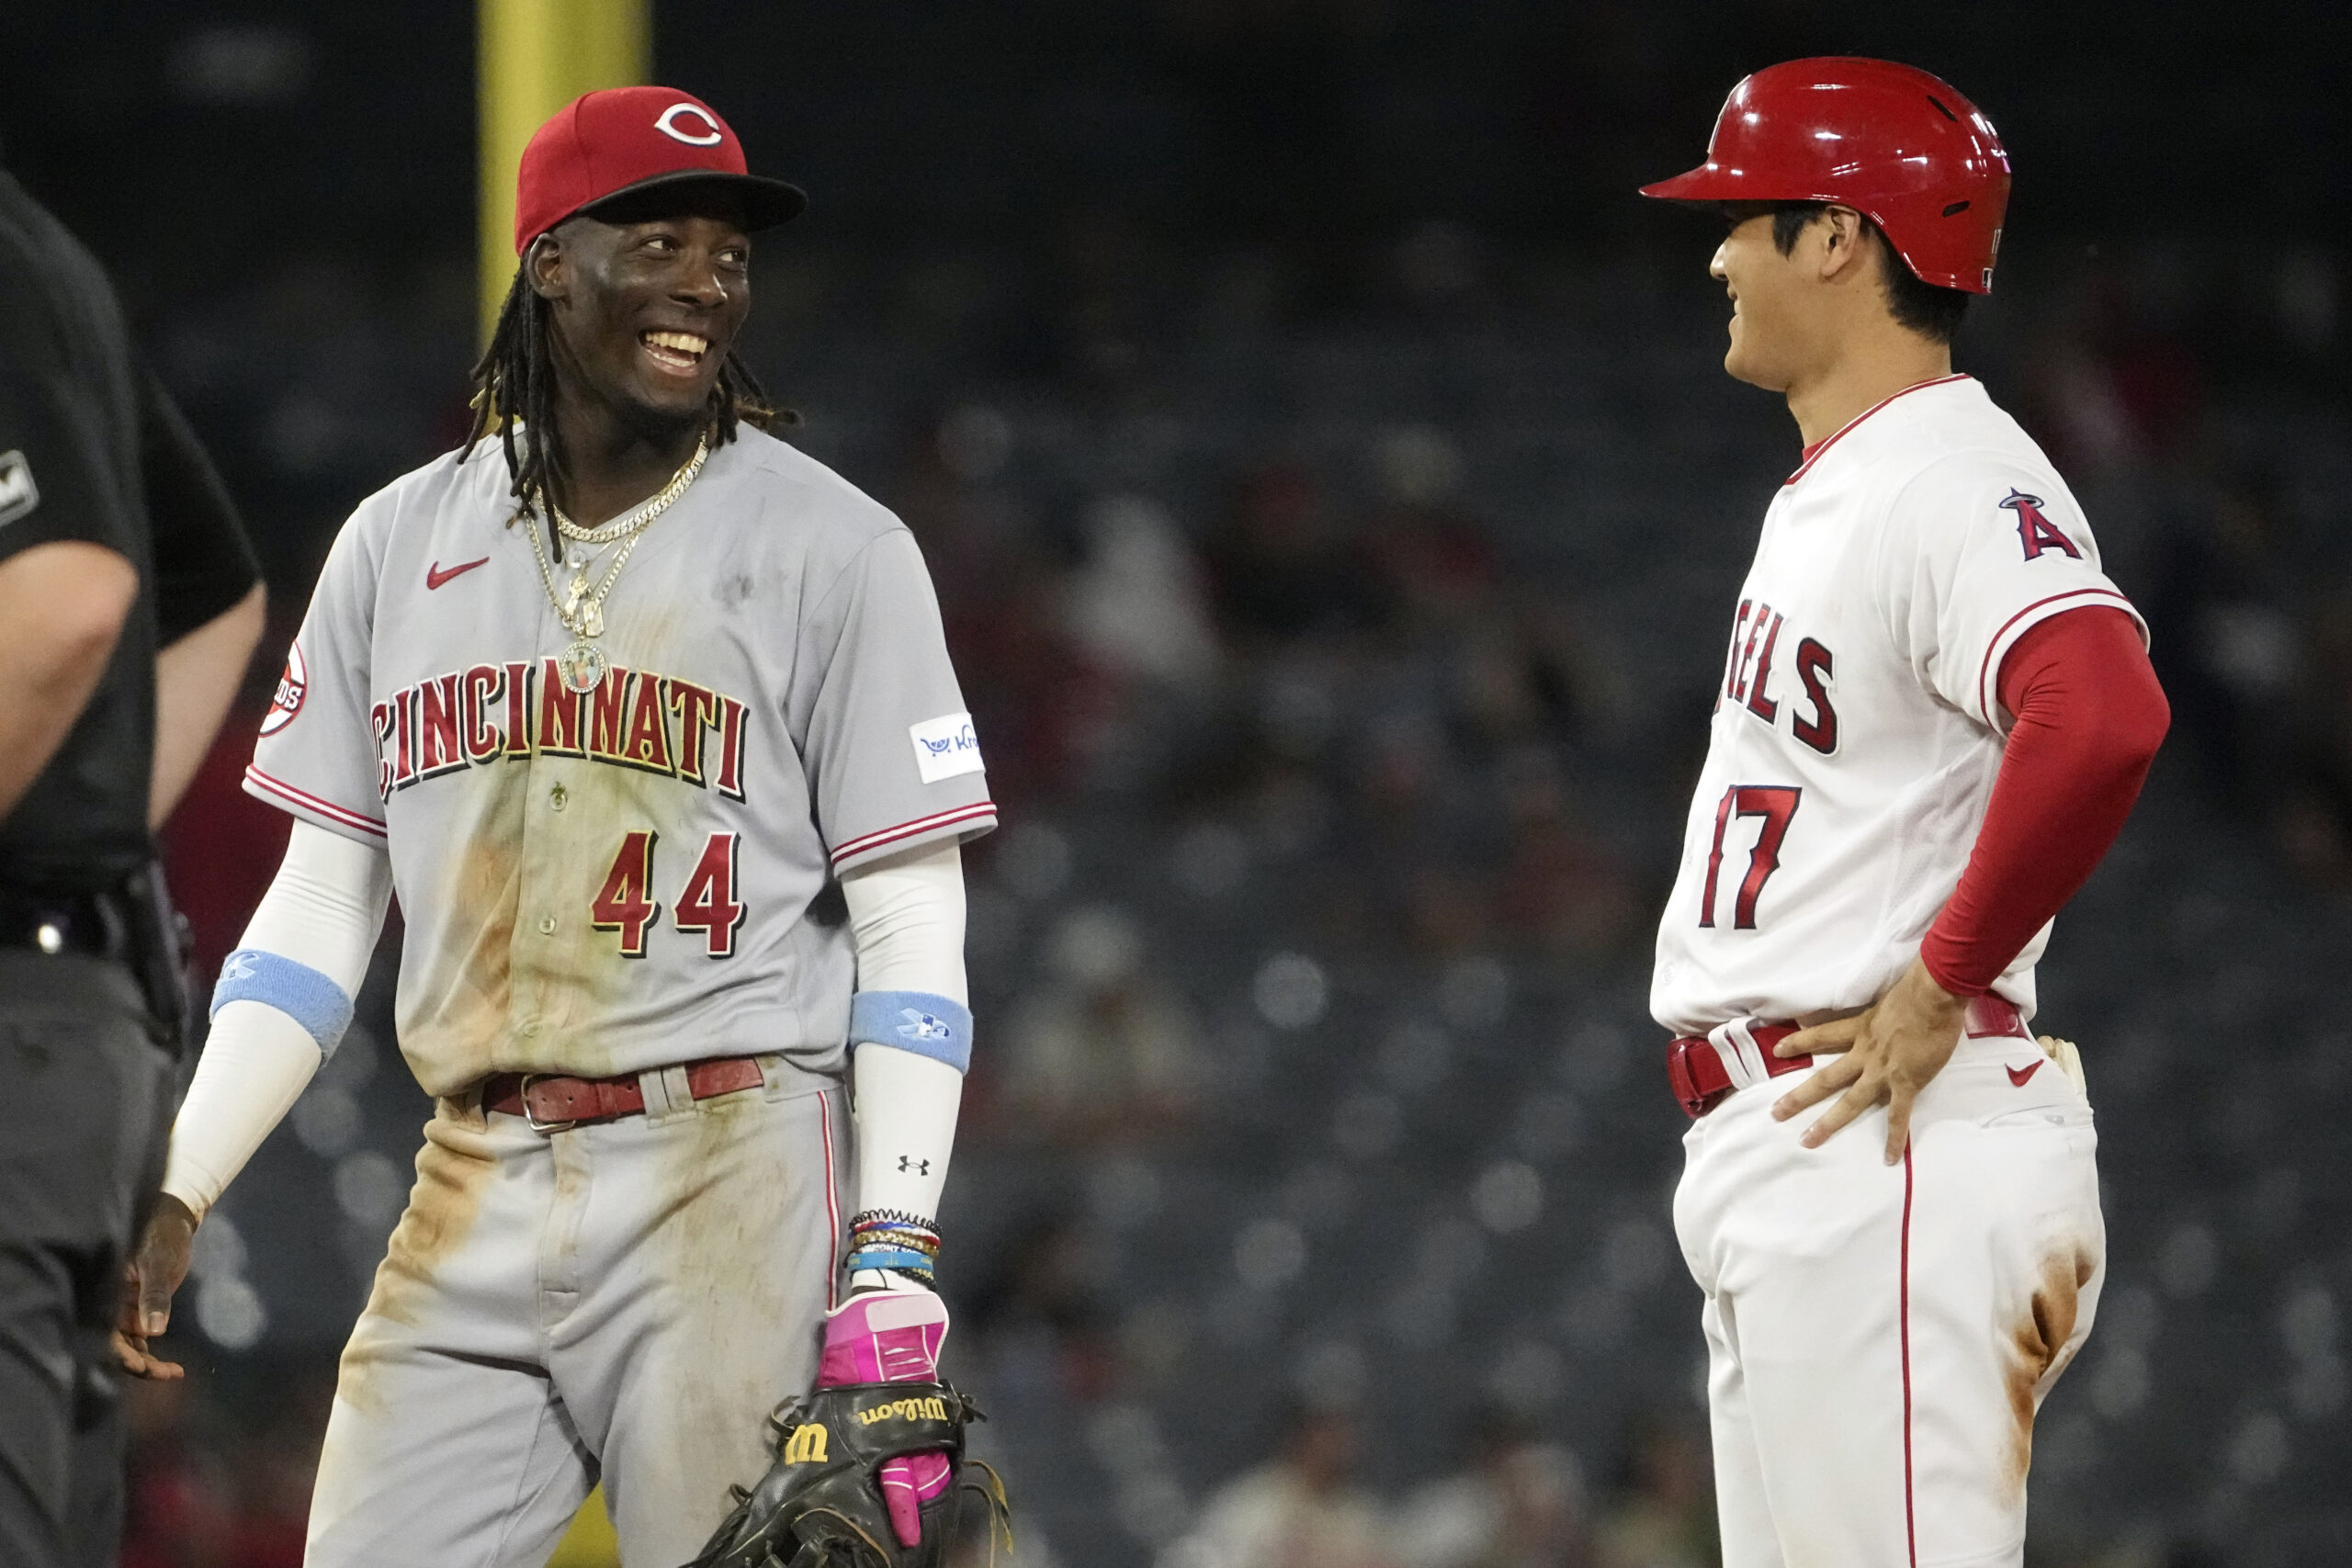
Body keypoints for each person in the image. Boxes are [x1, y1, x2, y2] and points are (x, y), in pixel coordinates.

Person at [115, 87, 997, 1566]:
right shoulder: (397, 544)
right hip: (473, 1176)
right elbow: (322, 910)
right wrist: (185, 1179)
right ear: (549, 263)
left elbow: (913, 915)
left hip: (732, 1164)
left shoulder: (840, 547)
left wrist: (894, 1247)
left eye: (730, 253)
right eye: (660, 240)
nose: (709, 283)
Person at [1637, 60, 2170, 1567]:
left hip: (1892, 1144)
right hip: (1813, 1154)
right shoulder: (1849, 483)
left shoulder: (1946, 468)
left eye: (1747, 215)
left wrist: (1942, 973)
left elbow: (2104, 707)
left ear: (1840, 238)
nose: (1720, 251)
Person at [0, 159, 266, 1565]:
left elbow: (70, 601)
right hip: (57, 1009)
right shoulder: (46, 265)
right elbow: (213, 595)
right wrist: (75, 849)